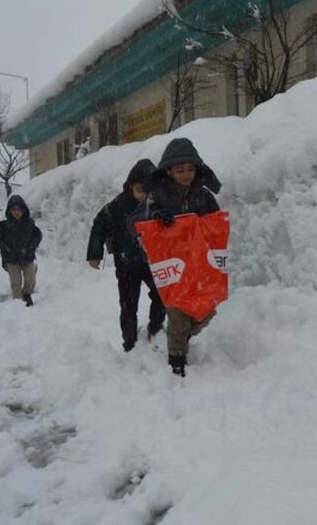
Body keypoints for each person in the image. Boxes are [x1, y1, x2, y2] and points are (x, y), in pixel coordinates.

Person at [132, 138, 221, 377]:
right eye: (180, 170)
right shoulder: (156, 195)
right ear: (168, 170)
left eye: (190, 169)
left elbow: (216, 225)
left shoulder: (204, 196)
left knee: (207, 309)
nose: (186, 175)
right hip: (171, 265)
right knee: (178, 312)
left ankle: (180, 337)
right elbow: (135, 224)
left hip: (198, 263)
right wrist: (156, 218)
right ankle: (177, 361)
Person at [86, 158, 165, 352]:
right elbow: (99, 225)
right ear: (130, 187)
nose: (143, 196)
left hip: (151, 262)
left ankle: (155, 328)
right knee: (128, 305)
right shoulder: (117, 206)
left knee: (161, 294)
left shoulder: (158, 204)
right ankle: (129, 342)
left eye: (148, 190)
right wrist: (95, 253)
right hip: (126, 263)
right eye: (140, 190)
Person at [0, 194, 42, 306]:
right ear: (9, 211)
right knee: (15, 283)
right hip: (12, 258)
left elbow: (38, 235)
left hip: (27, 256)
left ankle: (26, 294)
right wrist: (6, 248)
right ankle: (18, 303)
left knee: (31, 280)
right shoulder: (4, 226)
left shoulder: (30, 224)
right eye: (13, 209)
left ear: (23, 210)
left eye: (19, 209)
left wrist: (32, 247)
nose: (16, 212)